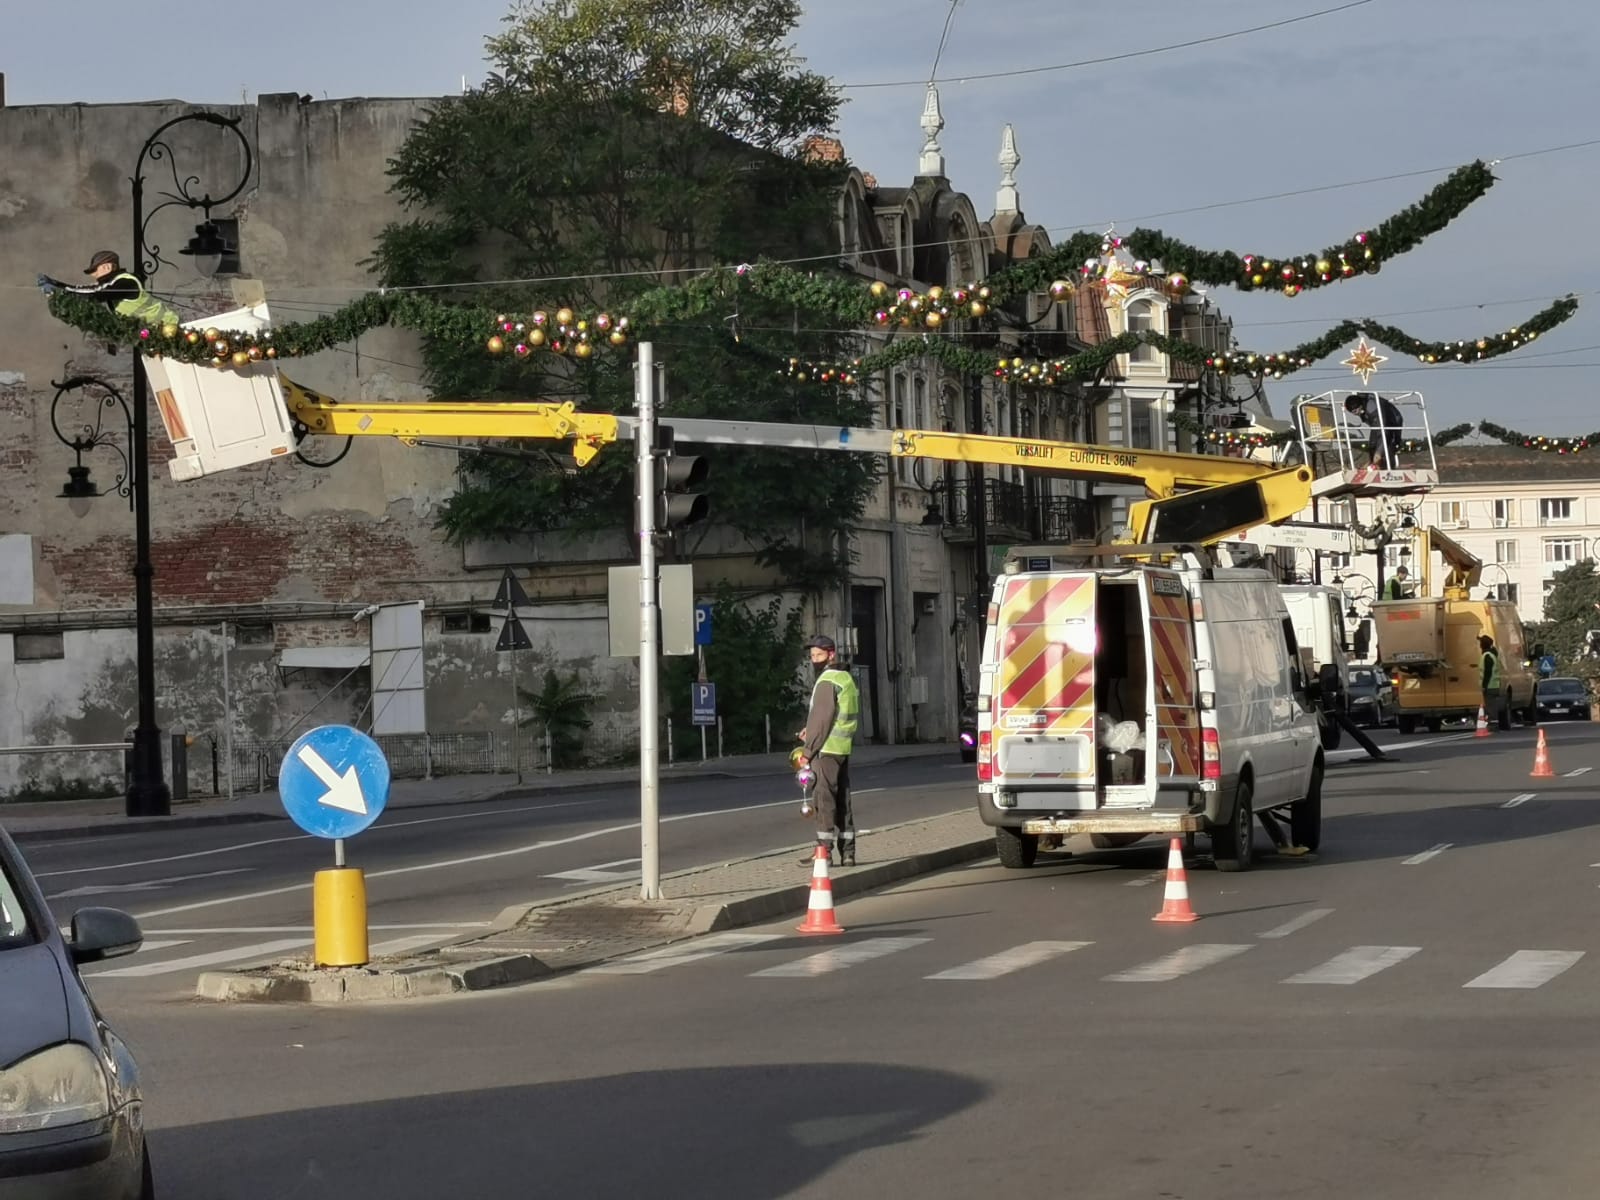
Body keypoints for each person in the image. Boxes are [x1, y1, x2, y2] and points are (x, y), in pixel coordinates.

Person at [794, 635, 860, 867]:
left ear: (831, 654)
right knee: (843, 800)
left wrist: (808, 751)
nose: (814, 660)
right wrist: (811, 729)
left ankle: (824, 853)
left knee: (824, 801)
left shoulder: (826, 680)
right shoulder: (846, 677)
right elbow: (837, 715)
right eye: (812, 655)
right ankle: (848, 852)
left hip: (825, 750)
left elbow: (822, 720)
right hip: (842, 748)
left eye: (819, 655)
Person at [37, 250, 180, 327]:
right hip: (153, 331)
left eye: (96, 271)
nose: (95, 276)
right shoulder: (114, 283)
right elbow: (87, 289)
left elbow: (95, 294)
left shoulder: (125, 282)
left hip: (169, 327)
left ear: (107, 267)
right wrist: (57, 284)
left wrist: (60, 291)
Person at [1344, 392, 1405, 468]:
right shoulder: (1363, 404)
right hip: (1379, 423)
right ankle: (1373, 462)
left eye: (1356, 411)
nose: (1356, 414)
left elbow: (1382, 431)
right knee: (1372, 443)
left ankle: (1384, 465)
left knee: (1387, 443)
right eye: (1353, 413)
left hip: (1391, 422)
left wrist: (1379, 452)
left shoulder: (1372, 408)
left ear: (1360, 406)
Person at [1478, 634, 1503, 726]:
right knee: (1492, 705)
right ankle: (1493, 721)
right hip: (1495, 685)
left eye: (1480, 643)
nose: (1479, 645)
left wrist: (1484, 686)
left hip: (1490, 686)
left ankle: (1493, 722)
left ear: (1483, 645)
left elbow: (1487, 672)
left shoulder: (1487, 656)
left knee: (1490, 706)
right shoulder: (1492, 655)